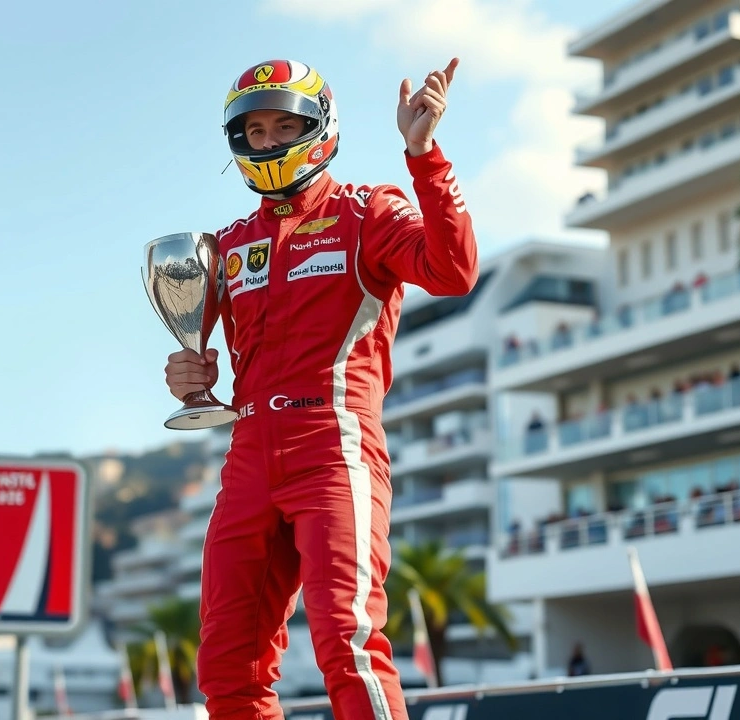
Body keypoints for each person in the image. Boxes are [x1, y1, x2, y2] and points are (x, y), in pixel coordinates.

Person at [163, 57, 478, 719]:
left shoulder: (369, 211)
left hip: (335, 447)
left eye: (284, 126)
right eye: (254, 131)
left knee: (347, 639)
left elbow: (453, 270)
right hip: (248, 454)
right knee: (228, 666)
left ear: (318, 127)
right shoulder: (227, 245)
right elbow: (202, 358)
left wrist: (423, 155)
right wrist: (189, 376)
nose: (269, 141)